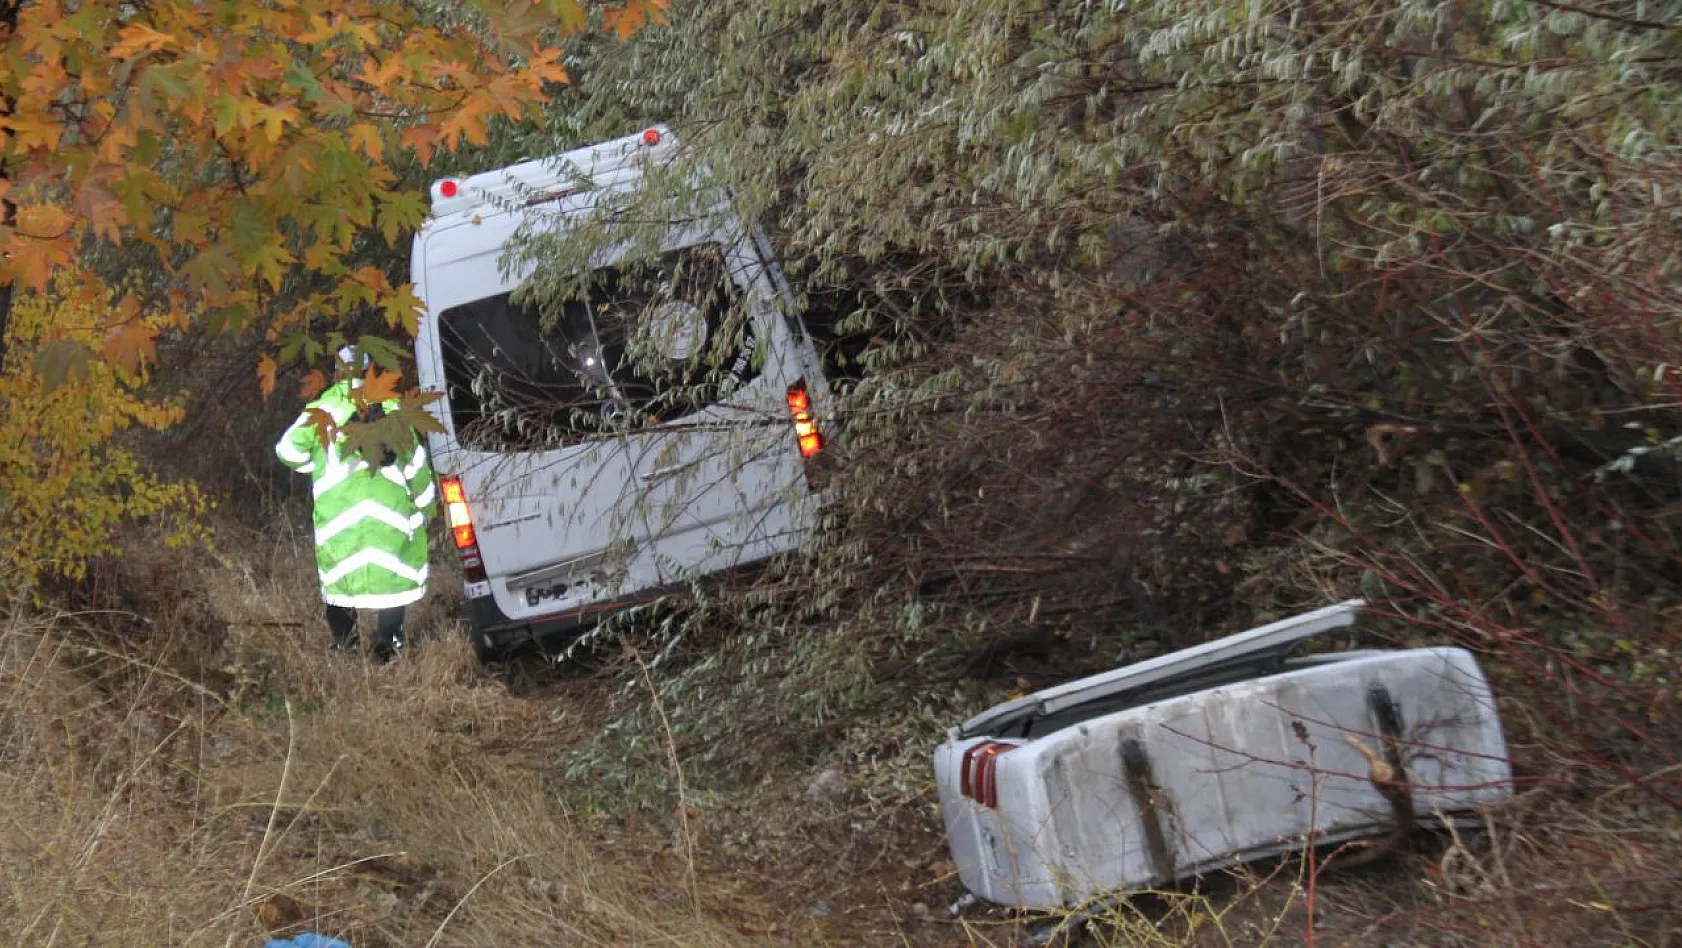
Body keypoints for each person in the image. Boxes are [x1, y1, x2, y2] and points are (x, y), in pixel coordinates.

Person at [274, 345, 435, 661]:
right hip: (389, 518)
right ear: (371, 371)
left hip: (339, 520)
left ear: (337, 373)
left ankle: (344, 645)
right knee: (392, 578)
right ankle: (387, 644)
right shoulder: (392, 410)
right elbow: (416, 467)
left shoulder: (321, 411)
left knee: (339, 582)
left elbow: (287, 451)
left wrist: (315, 467)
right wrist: (426, 506)